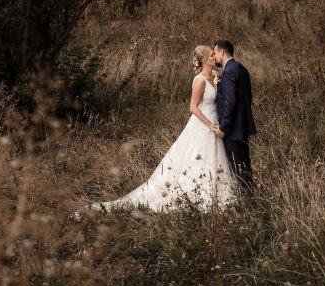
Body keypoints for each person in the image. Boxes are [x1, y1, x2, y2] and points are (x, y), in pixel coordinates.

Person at [92, 45, 237, 212]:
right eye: (211, 56)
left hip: (216, 121)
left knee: (217, 157)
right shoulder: (199, 81)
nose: (214, 58)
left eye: (214, 55)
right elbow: (193, 107)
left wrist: (217, 86)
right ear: (204, 60)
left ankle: (218, 194)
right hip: (204, 124)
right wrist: (209, 124)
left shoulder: (214, 76)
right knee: (198, 156)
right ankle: (196, 195)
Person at [213, 39, 256, 195]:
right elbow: (247, 97)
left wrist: (224, 127)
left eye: (215, 53)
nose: (215, 56)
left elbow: (230, 102)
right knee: (244, 166)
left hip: (233, 130)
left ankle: (248, 202)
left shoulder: (229, 71)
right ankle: (250, 199)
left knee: (239, 168)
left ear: (222, 52)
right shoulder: (241, 68)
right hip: (242, 127)